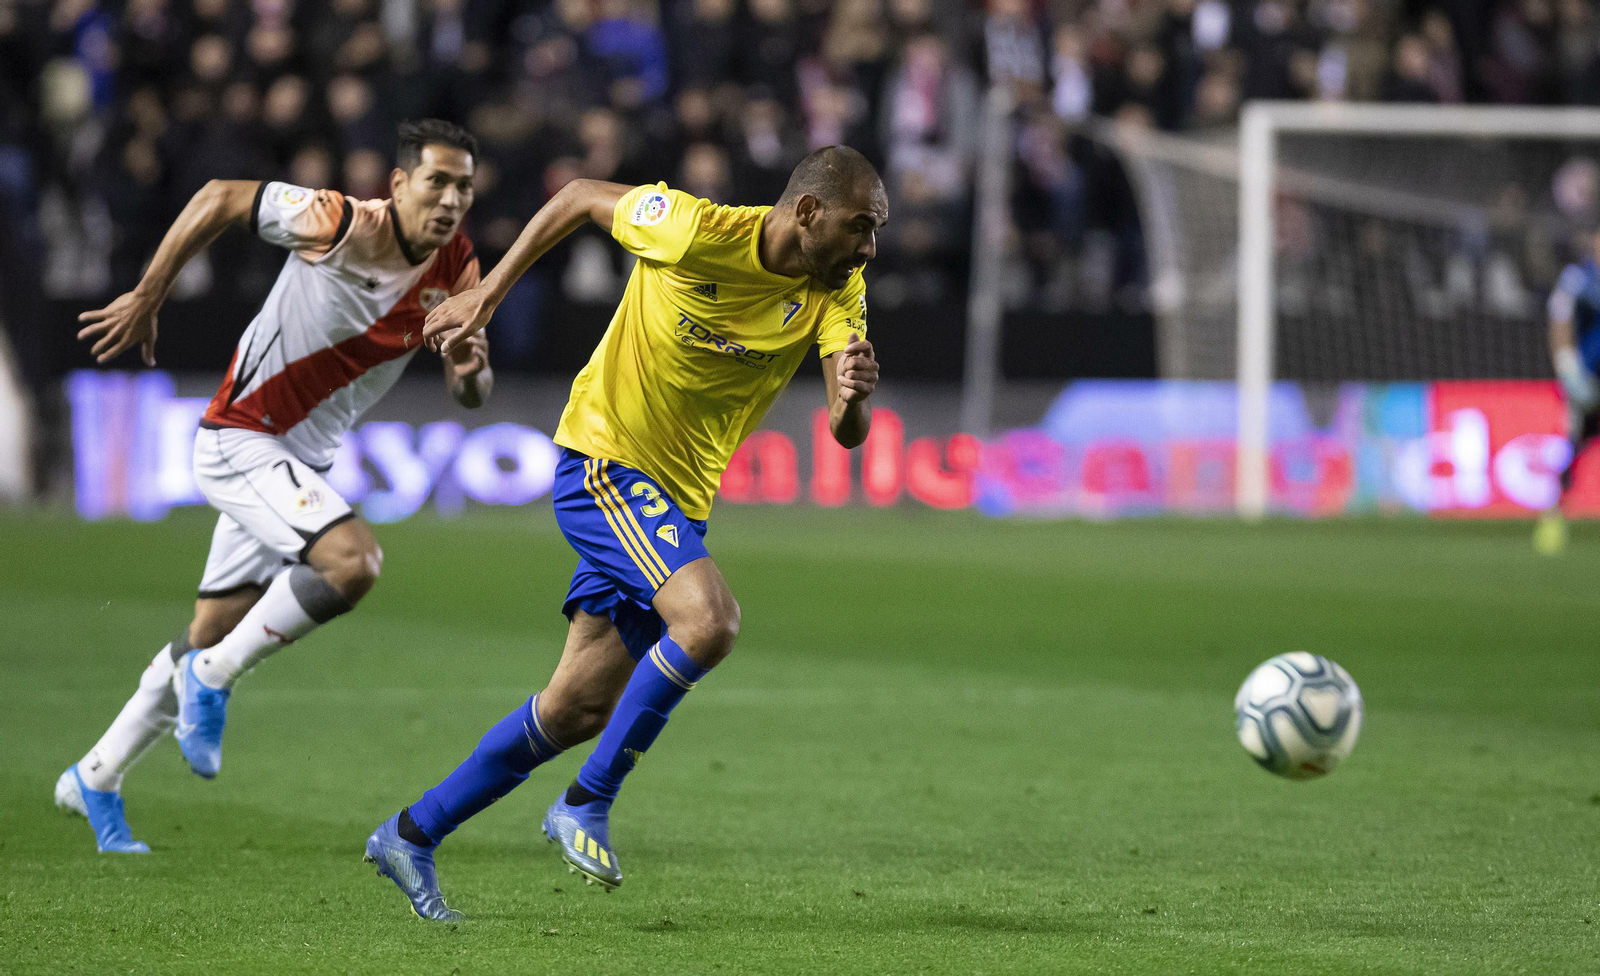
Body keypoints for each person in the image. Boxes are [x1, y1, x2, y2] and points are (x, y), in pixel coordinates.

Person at [363, 146, 885, 920]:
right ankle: (585, 803)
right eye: (861, 226)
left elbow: (848, 431)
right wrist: (488, 296)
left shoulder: (836, 286)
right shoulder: (691, 228)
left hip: (677, 503)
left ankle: (410, 834)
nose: (869, 247)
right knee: (709, 621)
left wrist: (849, 398)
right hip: (606, 463)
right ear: (807, 212)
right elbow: (575, 195)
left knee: (575, 709)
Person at [58, 119, 492, 852]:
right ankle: (216, 677)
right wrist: (147, 293)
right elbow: (220, 196)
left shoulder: (460, 265)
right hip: (241, 439)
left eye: (464, 187)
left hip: (299, 467)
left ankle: (96, 774)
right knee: (353, 562)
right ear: (399, 184)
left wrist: (472, 363)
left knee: (209, 626)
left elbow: (470, 393)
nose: (451, 200)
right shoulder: (339, 221)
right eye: (437, 182)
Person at [1537, 228, 1600, 556]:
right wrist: (1566, 365)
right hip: (1587, 383)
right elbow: (1559, 321)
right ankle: (1554, 515)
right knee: (1574, 447)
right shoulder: (1578, 280)